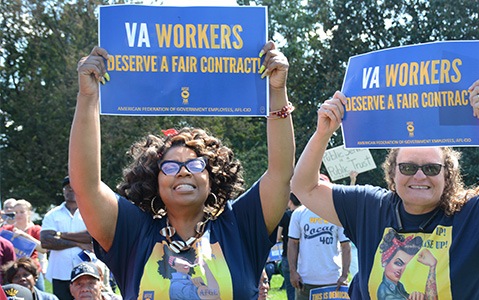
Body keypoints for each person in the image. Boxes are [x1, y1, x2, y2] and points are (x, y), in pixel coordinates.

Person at [290, 77, 479, 298]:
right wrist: (323, 132)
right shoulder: (369, 206)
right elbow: (304, 187)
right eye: (408, 168)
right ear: (392, 174)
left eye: (431, 168)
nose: (419, 176)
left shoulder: (475, 215)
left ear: (448, 175)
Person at [69, 41, 294, 299]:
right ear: (155, 181)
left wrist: (277, 91)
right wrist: (87, 96)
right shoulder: (132, 233)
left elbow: (281, 172)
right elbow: (85, 185)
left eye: (196, 165)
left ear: (212, 179)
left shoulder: (240, 227)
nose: (183, 172)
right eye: (171, 166)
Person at [288, 175, 351, 300]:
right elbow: (292, 244)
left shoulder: (337, 214)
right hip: (305, 280)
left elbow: (345, 246)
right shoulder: (299, 213)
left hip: (332, 280)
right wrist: (293, 272)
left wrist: (344, 275)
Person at [41, 177, 92, 300]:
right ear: (63, 191)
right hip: (60, 272)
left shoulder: (90, 211)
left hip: (86, 270)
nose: (71, 190)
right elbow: (46, 242)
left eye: (74, 187)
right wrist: (79, 243)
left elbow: (90, 236)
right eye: (68, 188)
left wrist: (60, 234)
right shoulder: (52, 214)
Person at [2, 199, 47, 291]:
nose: (18, 215)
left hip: (32, 270)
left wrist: (24, 236)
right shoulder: (6, 229)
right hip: (12, 272)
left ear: (29, 213)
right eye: (16, 212)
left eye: (22, 212)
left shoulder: (36, 229)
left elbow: (43, 249)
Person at [377, 231, 437, 299]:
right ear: (384, 262)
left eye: (405, 265)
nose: (401, 269)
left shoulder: (399, 286)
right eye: (398, 263)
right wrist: (432, 266)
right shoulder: (386, 294)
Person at [277, 193, 301, 299]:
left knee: (290, 291)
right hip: (301, 257)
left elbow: (278, 237)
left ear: (290, 201)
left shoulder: (285, 216)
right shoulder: (302, 215)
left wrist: (284, 238)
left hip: (287, 255)